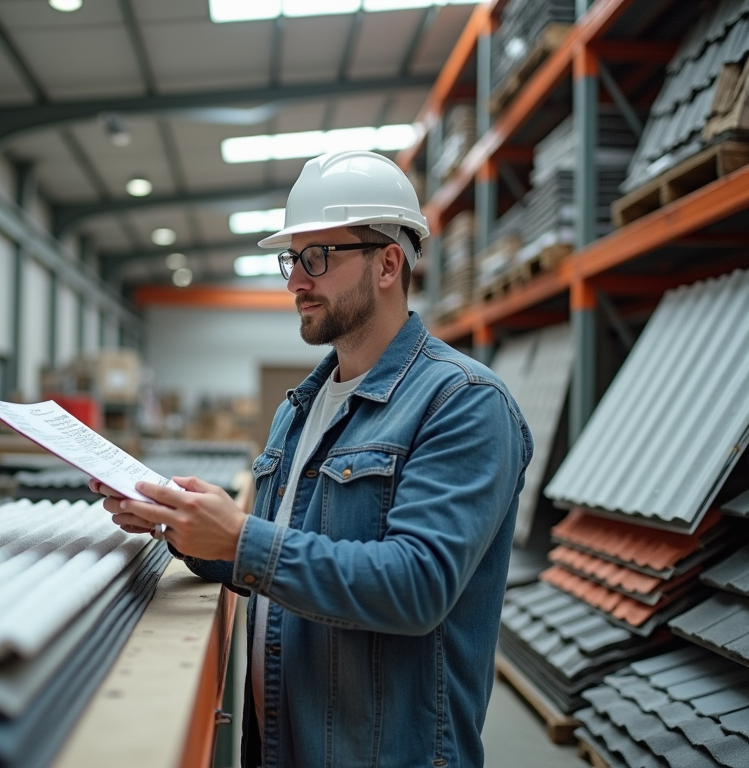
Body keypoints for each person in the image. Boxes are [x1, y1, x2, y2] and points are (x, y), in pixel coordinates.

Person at [92, 149, 532, 768]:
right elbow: (279, 570)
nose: (296, 281)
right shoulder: (298, 409)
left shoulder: (463, 403)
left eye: (316, 258)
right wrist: (180, 523)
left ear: (387, 263)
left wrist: (240, 537)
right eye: (290, 260)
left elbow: (416, 586)